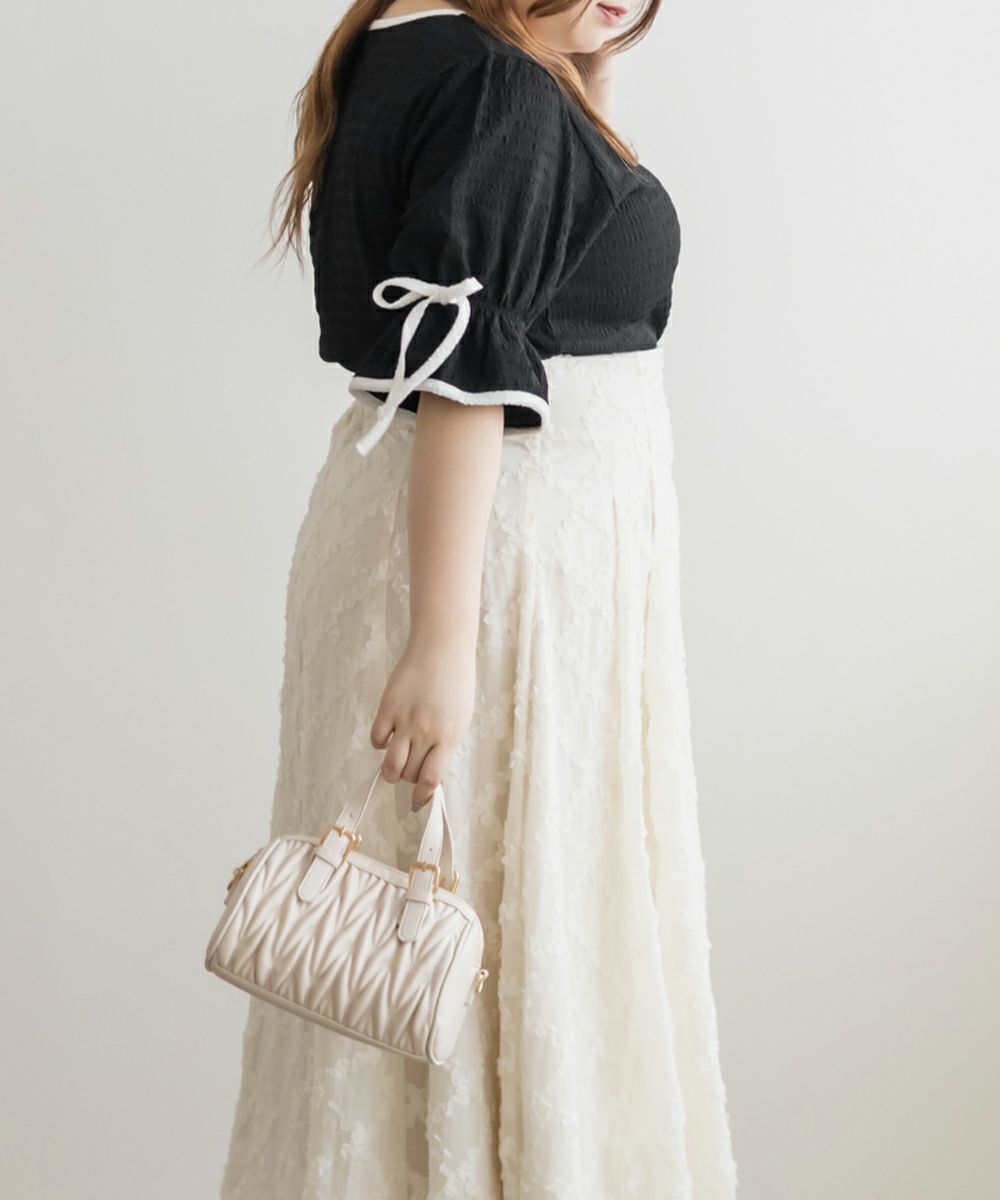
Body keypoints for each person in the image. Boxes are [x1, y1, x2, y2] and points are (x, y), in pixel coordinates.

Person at [219, 0, 738, 1195]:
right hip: (492, 567)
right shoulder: (495, 86)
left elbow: (534, 265)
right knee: (461, 913)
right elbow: (462, 367)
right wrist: (443, 642)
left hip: (463, 547)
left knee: (436, 911)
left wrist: (580, 73)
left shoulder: (418, 48)